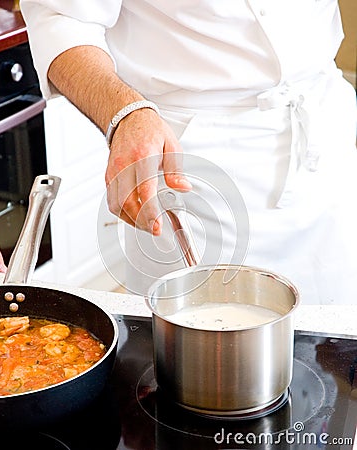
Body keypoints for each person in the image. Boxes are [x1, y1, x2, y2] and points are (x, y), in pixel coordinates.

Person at [20, 1, 357, 304]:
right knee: (197, 352)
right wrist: (126, 112)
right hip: (191, 166)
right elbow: (61, 19)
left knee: (335, 339)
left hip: (322, 141)